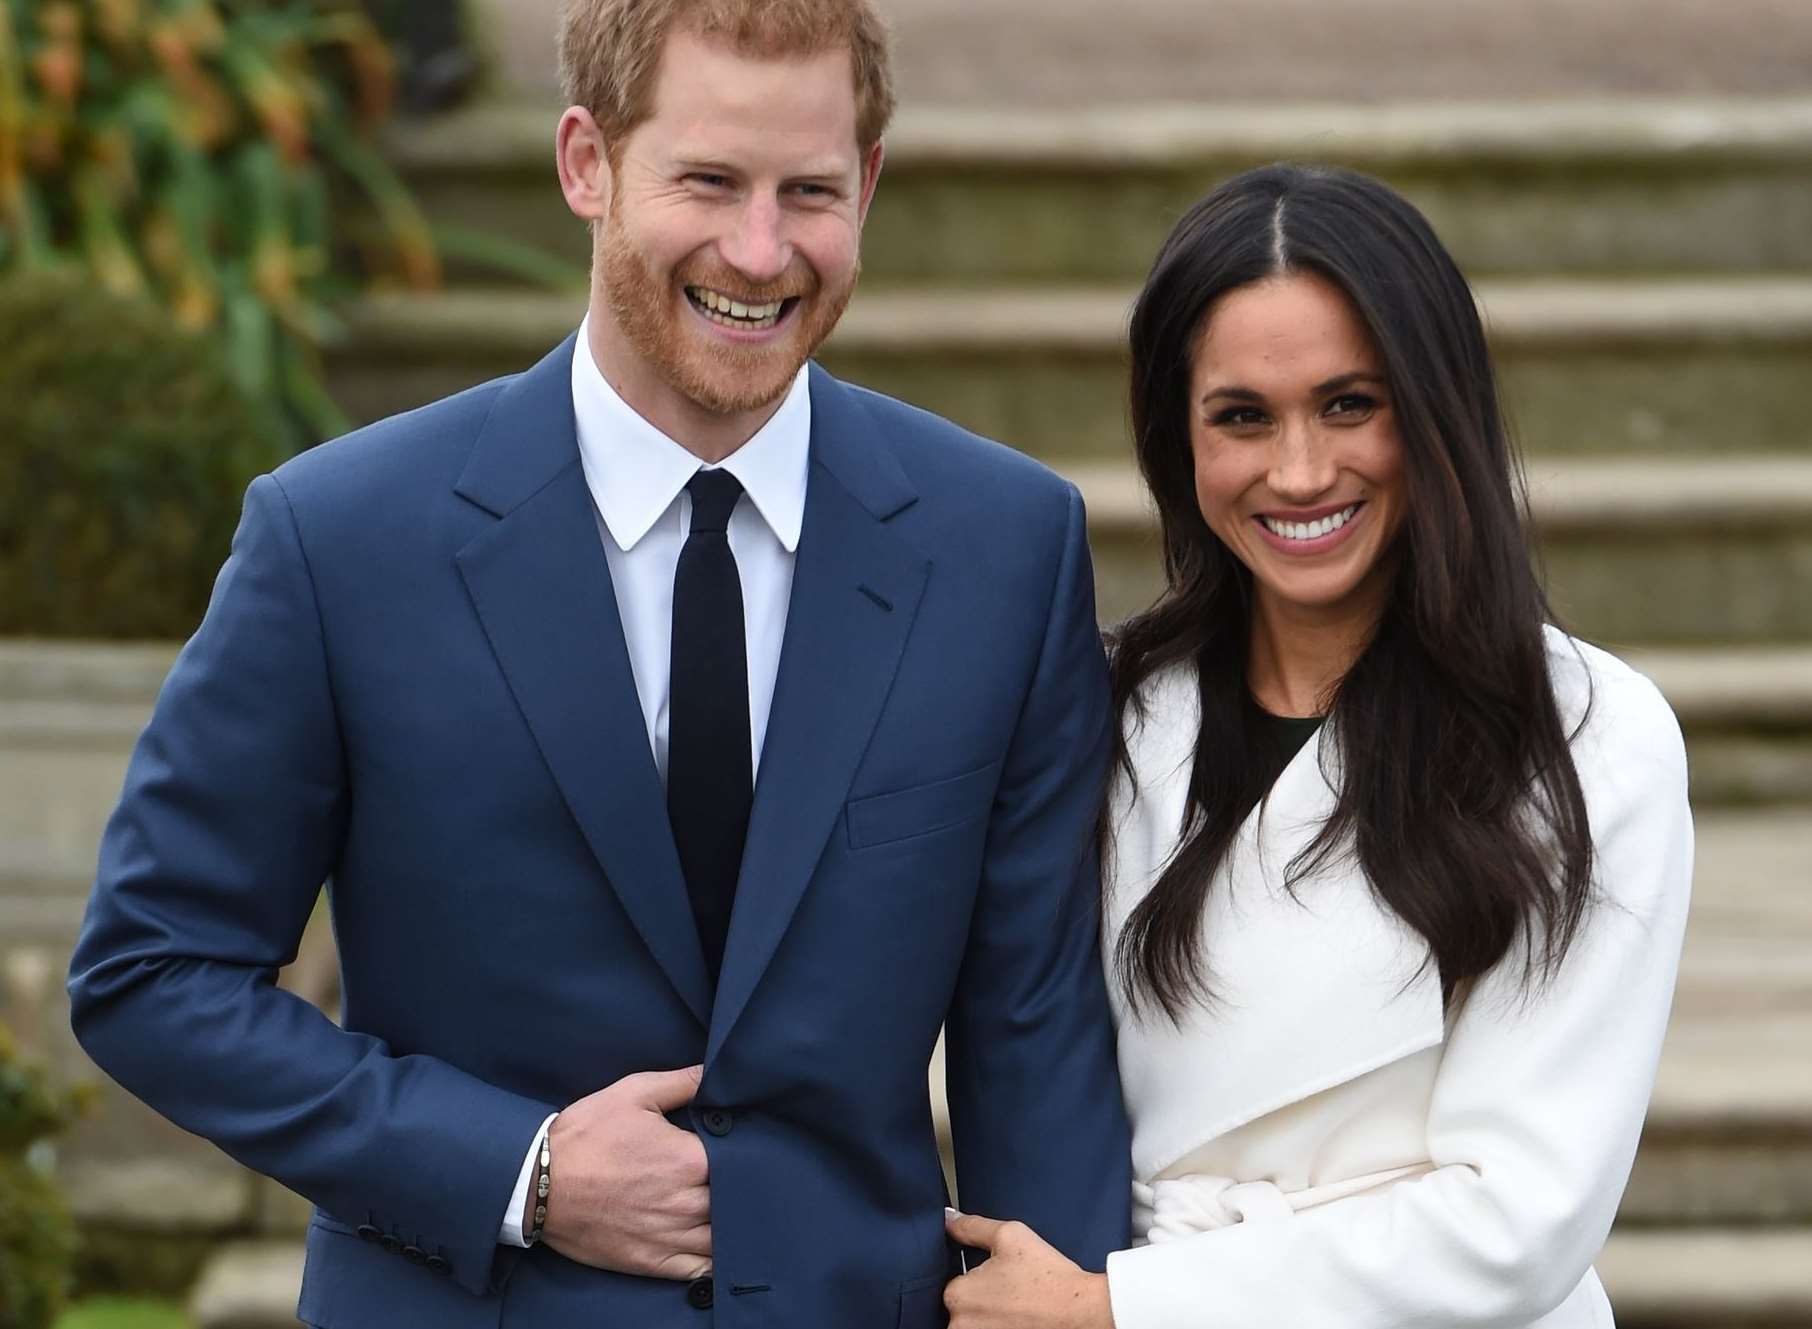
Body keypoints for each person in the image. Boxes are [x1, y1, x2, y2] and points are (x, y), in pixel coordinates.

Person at [66, 1, 1131, 1325]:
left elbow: (1036, 1038)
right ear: (586, 163)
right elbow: (152, 973)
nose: (761, 249)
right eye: (708, 181)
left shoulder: (1005, 549)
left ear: (867, 183)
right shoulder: (340, 541)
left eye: (809, 190)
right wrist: (518, 1167)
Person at [941, 163, 1693, 1329]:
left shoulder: (1590, 738)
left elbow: (1520, 1219)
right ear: (1176, 440)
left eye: (1351, 404)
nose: (1298, 473)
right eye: (1242, 417)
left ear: (1436, 409)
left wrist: (1127, 1309)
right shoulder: (1105, 708)